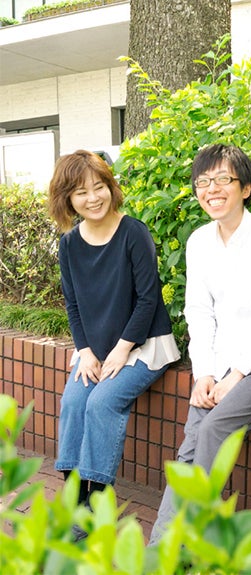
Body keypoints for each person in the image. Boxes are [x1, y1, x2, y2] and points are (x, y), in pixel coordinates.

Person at [149, 144, 251, 543]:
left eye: (223, 179)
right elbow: (199, 312)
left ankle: (185, 544)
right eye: (203, 182)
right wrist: (203, 374)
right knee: (190, 447)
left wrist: (236, 374)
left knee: (213, 429)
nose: (211, 189)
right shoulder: (199, 241)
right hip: (218, 368)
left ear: (246, 188)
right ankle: (160, 552)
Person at [48, 150, 180, 518]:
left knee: (101, 402)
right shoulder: (69, 244)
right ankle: (76, 500)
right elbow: (73, 304)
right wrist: (86, 351)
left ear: (111, 187)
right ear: (67, 199)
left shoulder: (133, 232)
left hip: (144, 346)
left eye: (99, 187)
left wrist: (122, 349)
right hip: (96, 350)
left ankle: (97, 501)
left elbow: (148, 299)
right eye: (81, 192)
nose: (93, 198)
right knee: (73, 402)